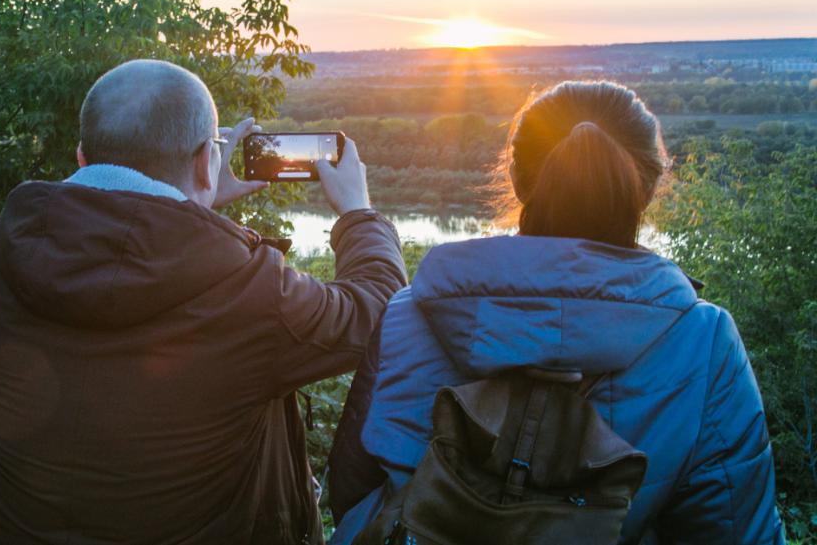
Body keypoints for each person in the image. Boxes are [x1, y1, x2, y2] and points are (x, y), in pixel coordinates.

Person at [0, 59, 407, 545]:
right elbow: (378, 311)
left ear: (81, 157)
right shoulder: (252, 292)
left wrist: (193, 203)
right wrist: (358, 212)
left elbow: (115, 248)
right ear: (203, 161)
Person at [328, 81, 784, 544]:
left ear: (516, 177)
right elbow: (736, 528)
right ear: (648, 187)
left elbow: (353, 493)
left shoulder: (409, 314)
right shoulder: (704, 342)